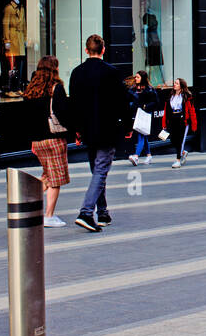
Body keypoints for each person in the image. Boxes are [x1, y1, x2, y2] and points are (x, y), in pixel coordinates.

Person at [67, 34, 129, 233]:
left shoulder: (77, 73)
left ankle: (102, 212)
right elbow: (123, 103)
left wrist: (76, 130)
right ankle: (86, 212)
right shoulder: (112, 73)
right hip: (107, 129)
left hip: (87, 130)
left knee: (97, 171)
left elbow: (74, 105)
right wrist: (127, 127)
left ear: (86, 50)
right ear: (103, 50)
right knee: (101, 171)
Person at [23, 56, 74, 227]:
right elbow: (64, 113)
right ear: (55, 69)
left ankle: (26, 200)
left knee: (47, 175)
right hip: (53, 139)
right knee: (55, 179)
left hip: (37, 141)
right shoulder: (56, 88)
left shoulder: (30, 89)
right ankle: (49, 215)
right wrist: (73, 130)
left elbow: (27, 119)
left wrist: (32, 140)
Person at [162, 77, 198, 168]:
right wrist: (164, 123)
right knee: (173, 140)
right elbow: (166, 110)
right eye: (174, 83)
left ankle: (178, 160)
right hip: (173, 119)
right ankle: (183, 152)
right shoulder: (171, 96)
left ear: (181, 86)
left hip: (183, 120)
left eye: (177, 83)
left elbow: (192, 110)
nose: (174, 84)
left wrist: (194, 124)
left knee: (180, 140)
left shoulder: (187, 96)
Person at [127, 70, 158, 166]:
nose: (135, 78)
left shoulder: (149, 89)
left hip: (145, 114)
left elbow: (156, 102)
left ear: (142, 78)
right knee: (143, 135)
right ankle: (148, 155)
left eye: (137, 77)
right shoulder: (133, 89)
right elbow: (130, 100)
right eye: (135, 77)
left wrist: (145, 106)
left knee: (141, 134)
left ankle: (136, 156)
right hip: (137, 114)